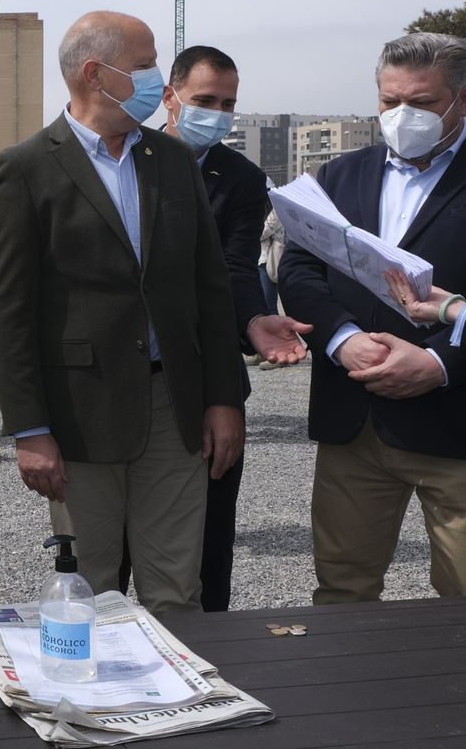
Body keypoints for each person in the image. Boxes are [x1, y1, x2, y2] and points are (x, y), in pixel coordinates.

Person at [0, 10, 245, 615]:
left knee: (176, 586)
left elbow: (209, 289)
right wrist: (30, 429)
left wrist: (224, 398)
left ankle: (175, 706)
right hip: (79, 413)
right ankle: (99, 707)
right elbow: (8, 313)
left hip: (174, 404)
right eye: (148, 64)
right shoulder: (22, 170)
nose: (160, 80)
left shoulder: (172, 162)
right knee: (90, 589)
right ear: (97, 74)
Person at [278, 32, 466, 605]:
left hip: (461, 425)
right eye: (390, 102)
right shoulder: (340, 175)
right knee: (342, 590)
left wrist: (440, 362)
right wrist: (340, 340)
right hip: (355, 422)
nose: (403, 115)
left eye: (424, 103)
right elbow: (300, 271)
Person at [116, 46, 311, 612]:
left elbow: (234, 269)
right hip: (125, 368)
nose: (218, 114)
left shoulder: (241, 177)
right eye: (205, 100)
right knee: (111, 547)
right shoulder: (123, 154)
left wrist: (252, 321)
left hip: (204, 371)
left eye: (228, 104)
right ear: (170, 95)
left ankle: (209, 658)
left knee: (206, 537)